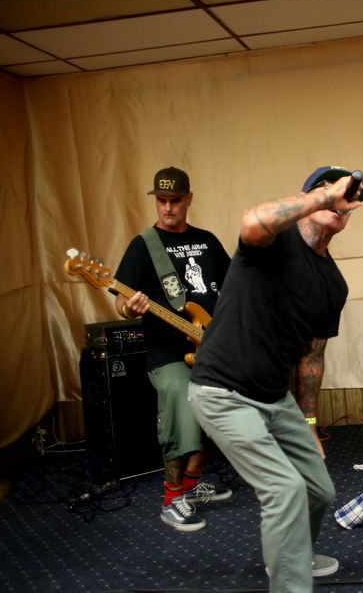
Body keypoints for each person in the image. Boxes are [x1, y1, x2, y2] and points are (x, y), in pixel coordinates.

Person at [188, 166, 363, 592]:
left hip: (274, 398)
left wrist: (309, 423)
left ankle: (289, 557)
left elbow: (312, 357)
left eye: (346, 199)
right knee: (284, 490)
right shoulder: (272, 241)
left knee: (318, 490)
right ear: (306, 198)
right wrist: (324, 196)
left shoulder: (333, 285)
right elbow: (252, 220)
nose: (338, 201)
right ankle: (290, 579)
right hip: (222, 390)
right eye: (327, 191)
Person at [115, 166, 233, 532]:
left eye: (175, 201)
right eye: (162, 201)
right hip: (167, 354)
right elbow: (120, 301)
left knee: (226, 408)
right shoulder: (144, 245)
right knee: (182, 405)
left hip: (212, 347)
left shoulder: (207, 240)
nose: (168, 208)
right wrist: (129, 308)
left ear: (189, 199)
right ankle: (171, 499)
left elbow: (232, 287)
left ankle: (192, 484)